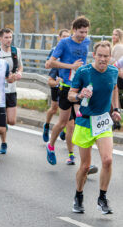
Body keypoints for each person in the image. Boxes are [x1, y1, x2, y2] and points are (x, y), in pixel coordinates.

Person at [67, 41, 121, 214]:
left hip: (103, 122)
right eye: (100, 56)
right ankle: (78, 195)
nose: (103, 59)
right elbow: (70, 95)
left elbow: (114, 89)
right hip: (85, 123)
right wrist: (79, 95)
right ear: (94, 55)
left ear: (110, 57)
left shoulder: (113, 71)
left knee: (107, 160)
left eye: (106, 56)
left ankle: (102, 198)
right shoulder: (84, 72)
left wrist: (116, 109)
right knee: (85, 166)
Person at [46, 16, 91, 166]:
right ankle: (51, 145)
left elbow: (84, 63)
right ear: (74, 30)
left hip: (80, 88)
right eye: (80, 32)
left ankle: (80, 158)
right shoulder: (64, 43)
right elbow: (51, 62)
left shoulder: (87, 42)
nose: (83, 35)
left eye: (85, 32)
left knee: (81, 120)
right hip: (66, 88)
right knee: (63, 122)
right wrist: (70, 66)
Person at [0, 28, 23, 154]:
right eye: (6, 37)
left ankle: (0, 126)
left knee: (11, 121)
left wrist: (18, 73)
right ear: (0, 38)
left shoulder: (16, 51)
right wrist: (7, 77)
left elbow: (20, 66)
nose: (8, 40)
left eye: (10, 37)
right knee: (1, 122)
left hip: (11, 90)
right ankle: (3, 143)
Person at [43, 29, 70, 142]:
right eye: (63, 36)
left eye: (67, 37)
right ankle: (46, 125)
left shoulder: (71, 49)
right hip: (56, 74)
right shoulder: (55, 49)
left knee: (66, 110)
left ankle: (64, 131)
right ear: (59, 38)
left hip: (67, 81)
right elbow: (47, 64)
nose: (65, 39)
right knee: (54, 108)